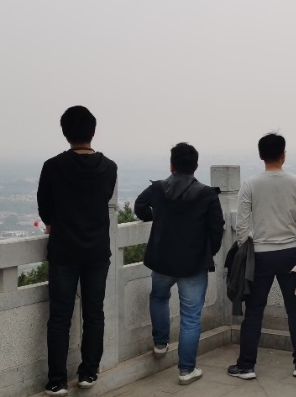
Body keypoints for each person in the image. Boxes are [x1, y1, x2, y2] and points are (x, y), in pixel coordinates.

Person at [37, 106, 118, 396]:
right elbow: (104, 198)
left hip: (63, 250)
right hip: (97, 250)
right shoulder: (109, 167)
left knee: (60, 316)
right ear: (93, 131)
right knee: (94, 312)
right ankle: (88, 372)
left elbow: (44, 204)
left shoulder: (53, 166)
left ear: (65, 132)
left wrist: (53, 222)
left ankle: (57, 380)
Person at [134, 142, 225, 386]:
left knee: (159, 297)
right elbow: (217, 230)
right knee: (191, 317)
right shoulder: (207, 194)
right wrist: (207, 252)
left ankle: (160, 343)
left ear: (171, 165)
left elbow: (139, 206)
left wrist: (156, 217)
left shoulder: (158, 189)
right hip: (193, 265)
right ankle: (186, 370)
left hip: (162, 261)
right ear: (196, 166)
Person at [228, 133, 296, 380]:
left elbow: (242, 227)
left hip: (260, 255)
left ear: (261, 155)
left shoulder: (250, 184)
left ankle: (246, 366)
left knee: (254, 311)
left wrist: (246, 251)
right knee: (295, 310)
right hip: (290, 253)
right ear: (283, 155)